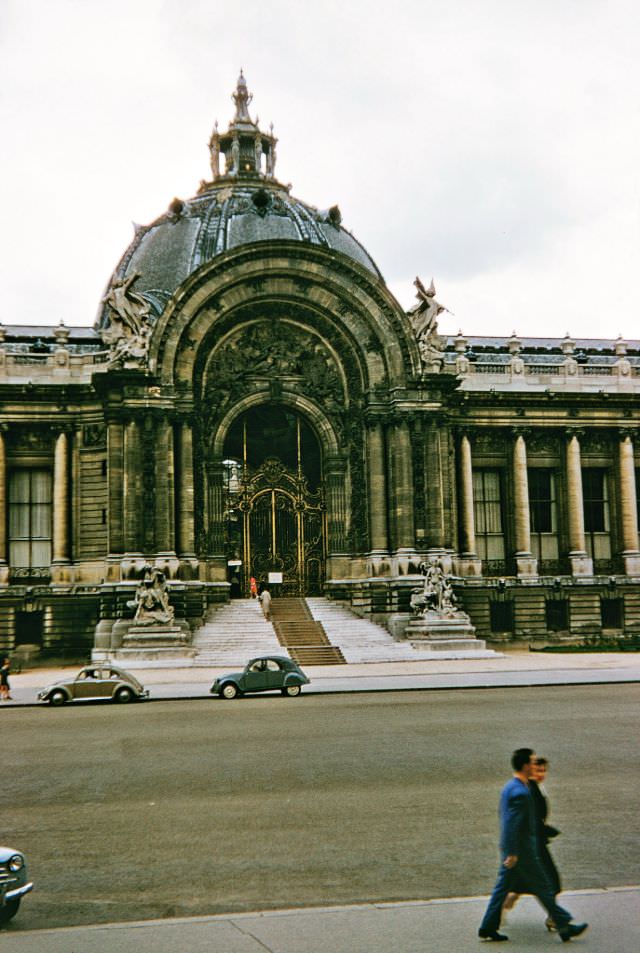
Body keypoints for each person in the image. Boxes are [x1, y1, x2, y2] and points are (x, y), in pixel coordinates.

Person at [478, 748, 588, 943]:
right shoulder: (521, 792)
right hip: (522, 851)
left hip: (513, 848)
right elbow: (513, 824)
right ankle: (564, 925)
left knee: (502, 889)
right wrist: (513, 852)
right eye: (533, 762)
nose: (535, 765)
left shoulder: (510, 786)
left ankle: (488, 926)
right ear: (526, 765)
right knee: (544, 887)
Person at [503, 756, 561, 931]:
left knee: (530, 879)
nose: (541, 774)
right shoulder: (530, 790)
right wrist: (545, 829)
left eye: (543, 770)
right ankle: (556, 918)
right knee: (551, 881)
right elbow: (530, 819)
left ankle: (509, 899)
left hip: (534, 842)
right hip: (534, 843)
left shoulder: (536, 788)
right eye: (538, 770)